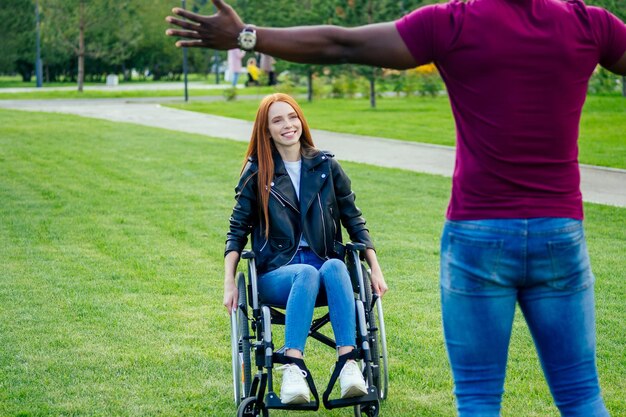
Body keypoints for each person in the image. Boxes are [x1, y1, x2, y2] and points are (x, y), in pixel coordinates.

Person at [166, 1, 626, 415]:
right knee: (582, 394)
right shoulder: (588, 23)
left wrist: (249, 37)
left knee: (481, 396)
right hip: (559, 231)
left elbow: (339, 43)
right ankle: (309, 365)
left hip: (478, 233)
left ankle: (338, 363)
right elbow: (239, 226)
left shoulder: (454, 22)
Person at [222, 93, 388, 404]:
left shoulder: (326, 167)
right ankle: (292, 368)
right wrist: (230, 281)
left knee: (336, 266)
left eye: (292, 116)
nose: (288, 125)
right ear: (266, 130)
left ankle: (349, 364)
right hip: (277, 274)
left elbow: (354, 219)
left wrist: (374, 268)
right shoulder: (256, 173)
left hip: (326, 270)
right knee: (305, 274)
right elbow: (236, 230)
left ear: (301, 120)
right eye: (277, 120)